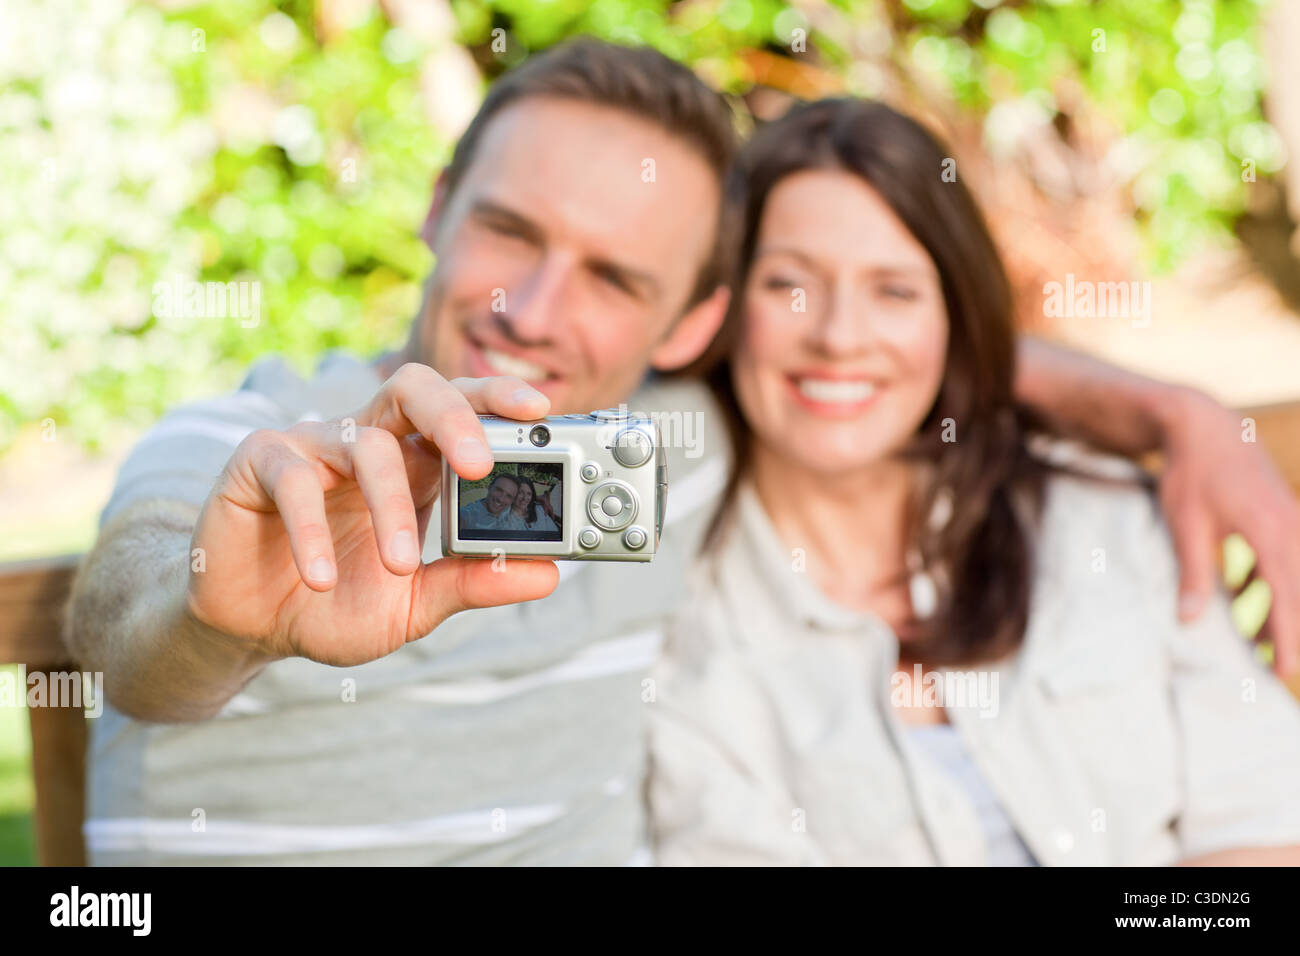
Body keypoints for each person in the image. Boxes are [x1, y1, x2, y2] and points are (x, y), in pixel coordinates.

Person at [64, 39, 1300, 866]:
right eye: (509, 229)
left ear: (693, 321)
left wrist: (1177, 414)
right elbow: (131, 626)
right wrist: (220, 620)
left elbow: (880, 351)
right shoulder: (265, 448)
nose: (538, 309)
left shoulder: (668, 452)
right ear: (439, 203)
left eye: (616, 275)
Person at [647, 98, 1300, 866]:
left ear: (955, 317)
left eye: (895, 291)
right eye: (789, 284)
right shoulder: (671, 619)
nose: (838, 336)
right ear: (723, 309)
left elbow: (1262, 839)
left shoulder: (1102, 519)